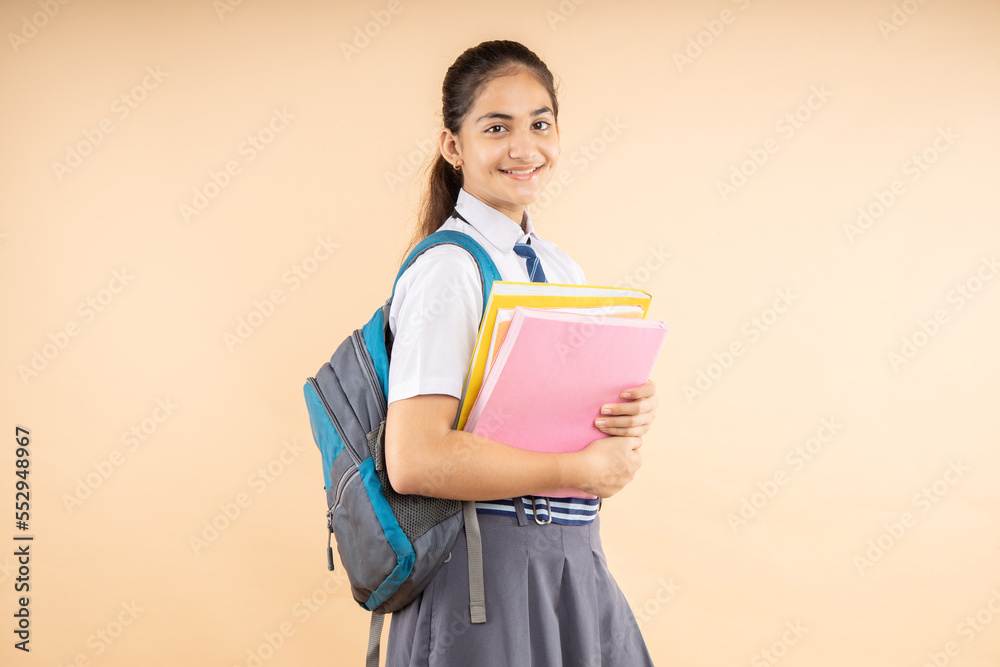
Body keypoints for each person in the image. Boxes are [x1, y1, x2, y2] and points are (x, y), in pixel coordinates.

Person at [383, 39, 659, 666]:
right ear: (454, 146)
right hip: (486, 572)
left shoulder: (560, 266)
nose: (524, 147)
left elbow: (558, 423)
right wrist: (579, 472)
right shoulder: (449, 269)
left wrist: (624, 416)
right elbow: (416, 460)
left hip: (571, 557)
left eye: (540, 123)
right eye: (496, 127)